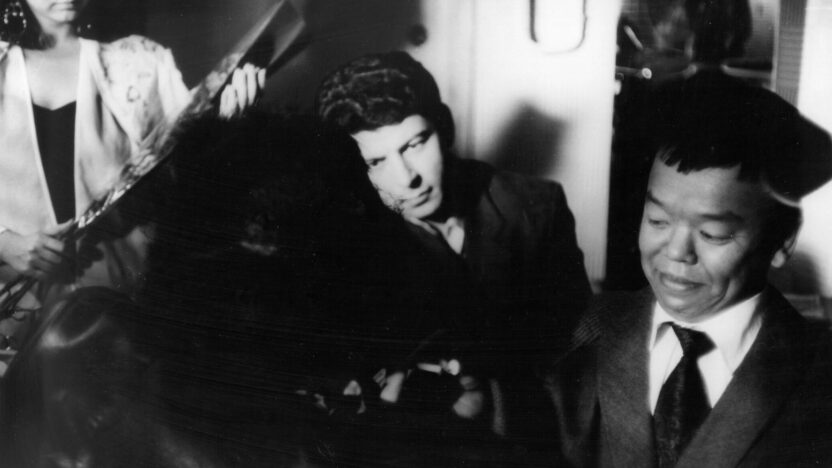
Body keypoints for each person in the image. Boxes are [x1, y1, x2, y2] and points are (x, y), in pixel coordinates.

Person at [546, 73, 832, 467]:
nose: (676, 251)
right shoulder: (586, 329)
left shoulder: (818, 376)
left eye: (713, 234)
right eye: (657, 221)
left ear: (782, 241)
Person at [315, 51, 591, 445]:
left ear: (443, 129)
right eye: (377, 161)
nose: (406, 178)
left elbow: (576, 352)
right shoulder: (350, 236)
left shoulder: (535, 209)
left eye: (415, 144)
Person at [0, 0, 263, 350]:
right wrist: (4, 242)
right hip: (17, 310)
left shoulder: (138, 64)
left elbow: (186, 180)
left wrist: (228, 125)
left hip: (122, 297)